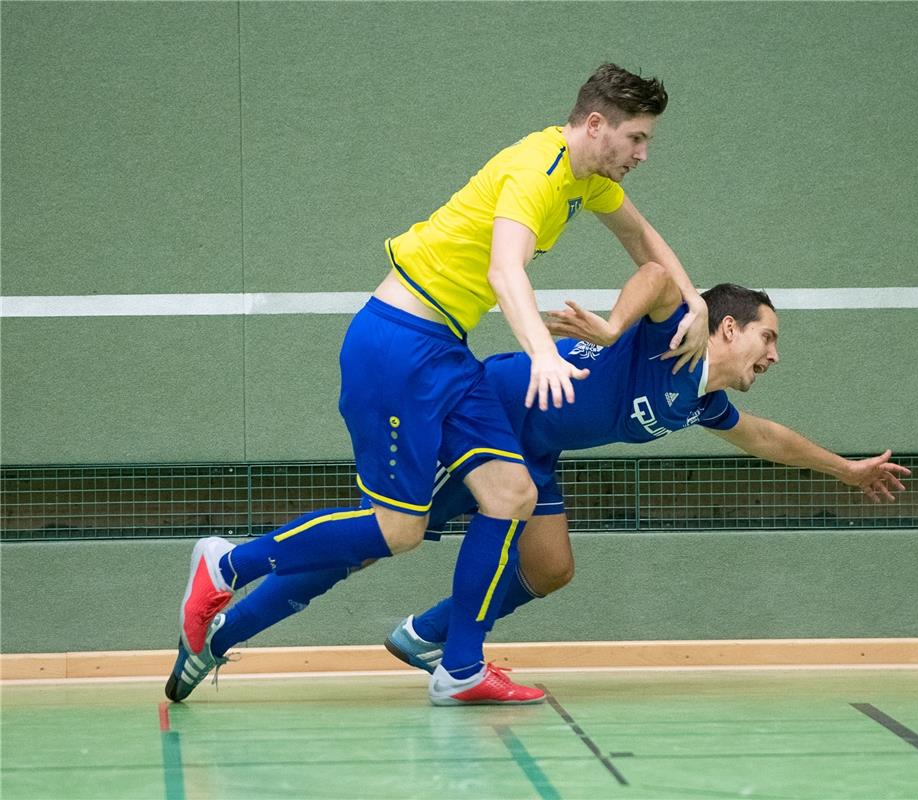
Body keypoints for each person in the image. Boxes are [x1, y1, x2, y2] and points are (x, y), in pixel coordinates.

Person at [168, 63, 709, 707]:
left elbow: (643, 239)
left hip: (443, 349)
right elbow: (506, 270)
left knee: (511, 492)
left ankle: (459, 668)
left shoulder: (582, 181)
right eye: (638, 139)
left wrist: (695, 299)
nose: (644, 154)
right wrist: (542, 352)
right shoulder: (532, 174)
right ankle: (228, 566)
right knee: (398, 531)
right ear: (597, 125)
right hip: (397, 343)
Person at [166, 263, 910, 698]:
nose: (773, 354)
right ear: (725, 327)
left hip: (534, 448)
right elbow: (653, 273)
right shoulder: (676, 331)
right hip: (485, 410)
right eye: (767, 336)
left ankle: (426, 638)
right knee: (378, 541)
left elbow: (764, 438)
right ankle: (227, 612)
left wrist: (844, 469)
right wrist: (617, 326)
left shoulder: (703, 397)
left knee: (549, 566)